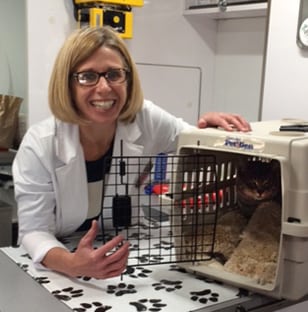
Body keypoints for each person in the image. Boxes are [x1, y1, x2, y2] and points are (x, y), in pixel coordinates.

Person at [12, 26, 251, 280]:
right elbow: (34, 231)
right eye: (87, 76)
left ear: (128, 78)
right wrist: (73, 265)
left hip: (127, 252)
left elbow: (192, 142)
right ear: (67, 84)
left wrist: (211, 129)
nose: (104, 88)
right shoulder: (40, 144)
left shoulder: (145, 119)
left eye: (114, 74)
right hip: (60, 263)